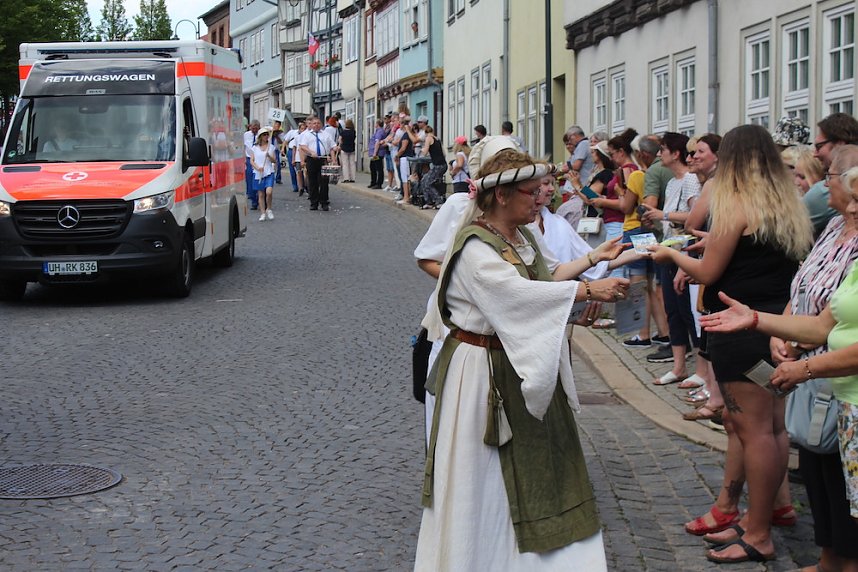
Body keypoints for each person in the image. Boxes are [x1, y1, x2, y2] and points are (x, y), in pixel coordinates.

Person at [415, 139, 630, 570]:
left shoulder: (519, 235)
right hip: (480, 378)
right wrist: (587, 292)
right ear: (501, 195)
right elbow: (517, 296)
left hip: (510, 364)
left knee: (534, 472)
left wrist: (592, 260)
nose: (541, 198)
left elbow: (544, 279)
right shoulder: (476, 249)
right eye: (532, 192)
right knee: (486, 478)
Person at [647, 124, 814, 564]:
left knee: (752, 431)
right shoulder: (784, 204)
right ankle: (763, 516)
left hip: (738, 329)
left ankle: (757, 532)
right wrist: (707, 244)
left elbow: (707, 272)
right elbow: (755, 256)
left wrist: (670, 254)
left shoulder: (736, 201)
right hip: (776, 328)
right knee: (773, 428)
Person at [698, 165, 858, 572]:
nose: (851, 210)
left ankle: (764, 530)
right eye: (851, 199)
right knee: (831, 488)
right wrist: (756, 319)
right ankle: (829, 561)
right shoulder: (842, 242)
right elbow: (822, 319)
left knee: (763, 433)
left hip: (839, 385)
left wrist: (806, 368)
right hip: (839, 395)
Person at [641, 132, 704, 386]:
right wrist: (659, 217)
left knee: (688, 311)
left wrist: (663, 215)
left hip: (684, 249)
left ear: (675, 153)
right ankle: (679, 366)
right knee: (672, 309)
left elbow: (693, 218)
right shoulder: (672, 183)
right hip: (669, 247)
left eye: (663, 149)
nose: (659, 154)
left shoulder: (690, 181)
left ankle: (700, 368)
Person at [806, 113, 858, 237]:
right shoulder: (835, 224)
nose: (815, 154)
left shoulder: (822, 191)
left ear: (840, 144)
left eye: (819, 146)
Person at [298, 117, 338, 211]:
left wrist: (334, 158)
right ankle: (314, 202)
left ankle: (324, 202)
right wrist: (311, 152)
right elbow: (302, 146)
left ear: (321, 125)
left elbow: (332, 147)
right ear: (311, 125)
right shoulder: (307, 135)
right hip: (311, 159)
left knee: (324, 181)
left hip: (323, 159)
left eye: (318, 123)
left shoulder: (326, 135)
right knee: (312, 181)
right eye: (314, 123)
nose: (316, 125)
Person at [414, 125, 447, 209]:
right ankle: (429, 202)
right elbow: (444, 154)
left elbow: (425, 152)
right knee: (424, 180)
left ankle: (439, 200)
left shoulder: (428, 138)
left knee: (428, 183)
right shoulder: (437, 139)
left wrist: (421, 150)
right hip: (443, 164)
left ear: (426, 133)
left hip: (438, 166)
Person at [250, 127, 278, 221]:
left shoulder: (271, 147)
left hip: (268, 171)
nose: (266, 136)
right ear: (261, 137)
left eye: (267, 134)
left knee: (269, 192)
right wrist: (257, 167)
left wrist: (269, 156)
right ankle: (262, 213)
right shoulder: (255, 147)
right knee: (261, 194)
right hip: (259, 172)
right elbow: (252, 160)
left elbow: (275, 160)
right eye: (264, 135)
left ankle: (269, 209)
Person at [395, 117, 416, 205]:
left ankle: (406, 197)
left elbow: (403, 148)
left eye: (402, 123)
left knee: (405, 179)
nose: (400, 125)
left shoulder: (406, 135)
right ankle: (407, 196)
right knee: (406, 178)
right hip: (406, 158)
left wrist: (397, 155)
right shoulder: (408, 134)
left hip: (404, 158)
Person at [243, 120, 261, 210]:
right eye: (253, 128)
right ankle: (253, 199)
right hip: (249, 159)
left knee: (257, 179)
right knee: (249, 179)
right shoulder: (246, 135)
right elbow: (243, 146)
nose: (254, 130)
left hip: (258, 160)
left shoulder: (261, 135)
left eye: (256, 129)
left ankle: (259, 198)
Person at [368, 119, 386, 189]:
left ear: (377, 124)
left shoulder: (380, 132)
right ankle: (373, 182)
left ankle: (378, 183)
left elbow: (377, 143)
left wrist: (375, 153)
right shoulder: (378, 131)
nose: (375, 124)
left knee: (378, 168)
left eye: (375, 123)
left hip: (377, 153)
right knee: (372, 167)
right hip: (375, 153)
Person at [338, 119, 357, 183]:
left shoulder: (343, 132)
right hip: (352, 148)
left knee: (345, 164)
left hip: (344, 149)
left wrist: (340, 146)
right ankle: (353, 178)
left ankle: (346, 178)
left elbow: (340, 141)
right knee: (352, 163)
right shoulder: (353, 132)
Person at [272, 120, 284, 185]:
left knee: (278, 164)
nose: (276, 126)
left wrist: (276, 136)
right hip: (269, 149)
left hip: (276, 149)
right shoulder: (269, 131)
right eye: (275, 124)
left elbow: (281, 142)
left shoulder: (281, 133)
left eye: (278, 125)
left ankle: (278, 178)